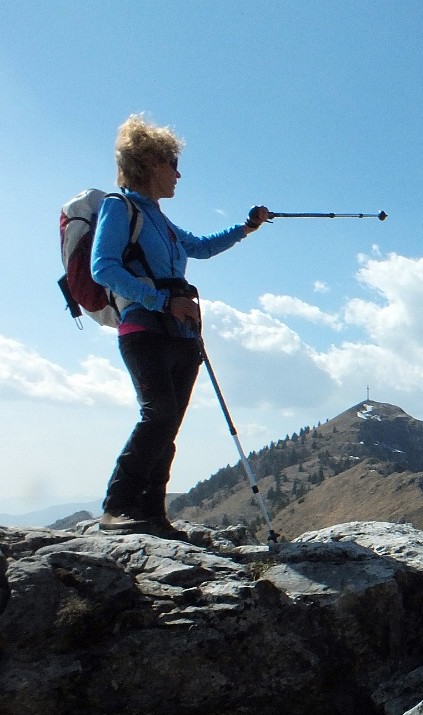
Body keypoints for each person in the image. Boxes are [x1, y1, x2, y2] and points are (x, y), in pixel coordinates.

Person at [92, 114, 269, 538]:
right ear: (151, 162)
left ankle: (153, 512)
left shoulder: (161, 220)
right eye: (172, 163)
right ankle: (117, 506)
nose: (178, 173)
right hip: (144, 329)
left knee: (169, 422)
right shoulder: (120, 208)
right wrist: (162, 301)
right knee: (159, 415)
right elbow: (103, 267)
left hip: (181, 334)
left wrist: (247, 227)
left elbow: (201, 247)